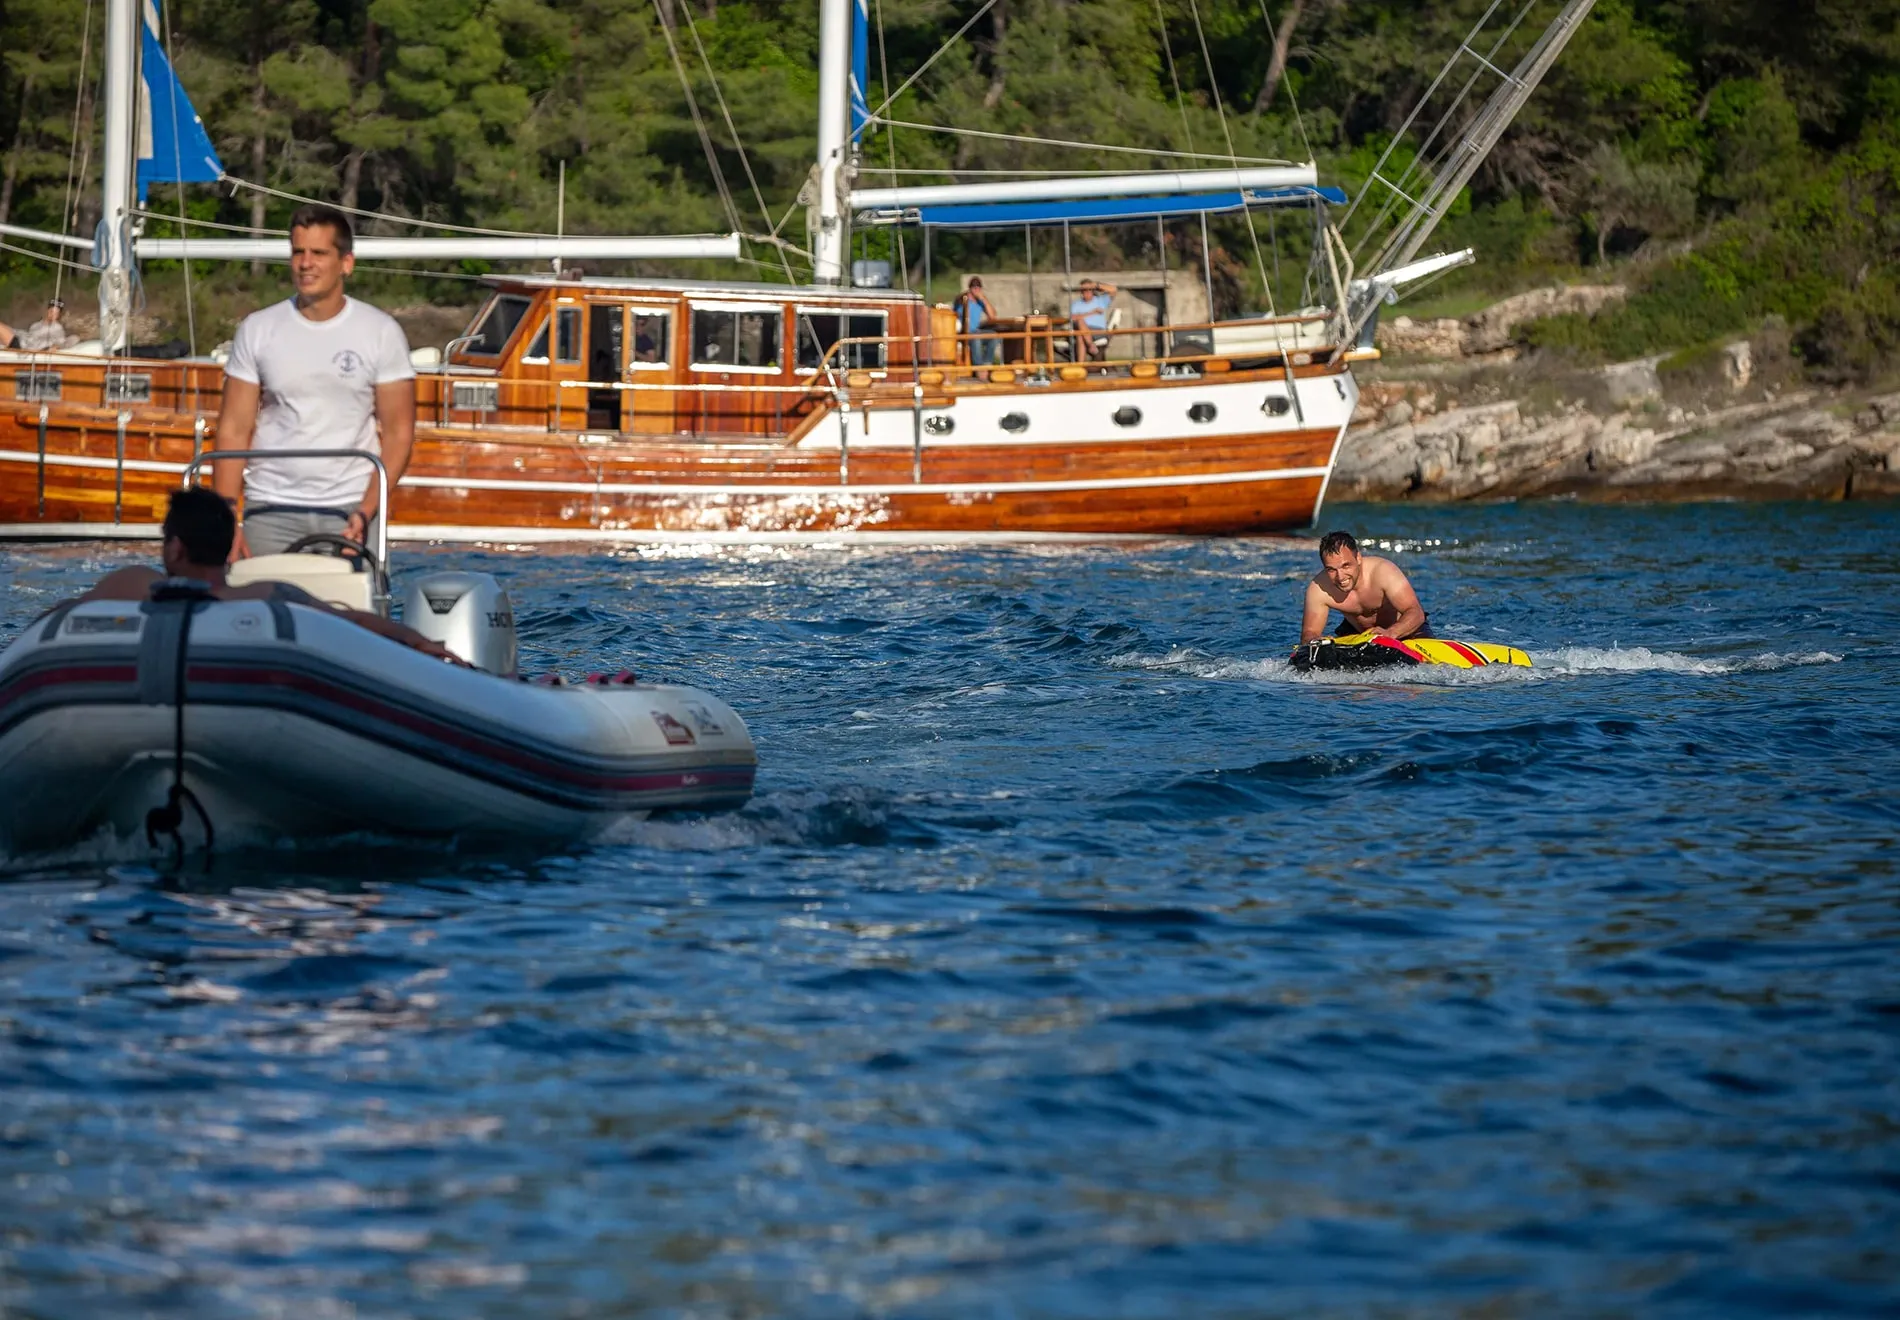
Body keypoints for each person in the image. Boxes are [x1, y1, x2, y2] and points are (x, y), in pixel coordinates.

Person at [212, 203, 417, 561]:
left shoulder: (381, 332)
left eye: (319, 253)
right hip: (268, 508)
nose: (306, 263)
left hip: (349, 509)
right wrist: (227, 517)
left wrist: (366, 511)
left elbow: (399, 433)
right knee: (261, 615)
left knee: (351, 614)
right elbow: (233, 428)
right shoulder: (258, 329)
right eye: (298, 252)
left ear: (346, 263)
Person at [73, 488, 461, 661]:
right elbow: (354, 621)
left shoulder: (132, 585)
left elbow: (55, 621)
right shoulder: (267, 597)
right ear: (228, 548)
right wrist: (419, 641)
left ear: (175, 548)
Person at [1300, 530, 1431, 643]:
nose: (1340, 577)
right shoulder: (1319, 588)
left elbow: (1415, 612)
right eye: (1331, 570)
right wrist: (1314, 640)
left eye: (1346, 566)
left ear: (1358, 558)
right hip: (1357, 633)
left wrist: (1391, 633)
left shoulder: (1383, 572)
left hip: (1404, 629)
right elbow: (1309, 633)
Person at [1069, 278, 1118, 361]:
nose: (1087, 292)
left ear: (1093, 290)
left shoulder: (1100, 301)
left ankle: (1080, 366)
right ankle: (1090, 347)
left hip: (1098, 331)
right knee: (1080, 334)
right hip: (1083, 331)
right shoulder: (1076, 304)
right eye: (1084, 290)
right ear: (1081, 291)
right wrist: (1092, 313)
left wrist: (1096, 285)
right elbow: (1073, 318)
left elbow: (1114, 290)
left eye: (1089, 289)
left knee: (1080, 331)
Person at [953, 277, 998, 366]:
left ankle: (987, 363)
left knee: (995, 336)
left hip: (976, 332)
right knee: (976, 338)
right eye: (974, 287)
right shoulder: (962, 300)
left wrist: (983, 299)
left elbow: (992, 316)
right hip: (965, 333)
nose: (976, 289)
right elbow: (959, 316)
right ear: (970, 288)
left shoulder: (980, 302)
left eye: (978, 287)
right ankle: (978, 367)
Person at [7, 299, 76, 352]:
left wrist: (55, 347)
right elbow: (31, 337)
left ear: (58, 315)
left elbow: (60, 343)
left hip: (32, 348)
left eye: (56, 313)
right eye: (51, 311)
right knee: (11, 330)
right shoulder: (36, 325)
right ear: (47, 311)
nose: (53, 314)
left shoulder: (57, 328)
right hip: (27, 343)